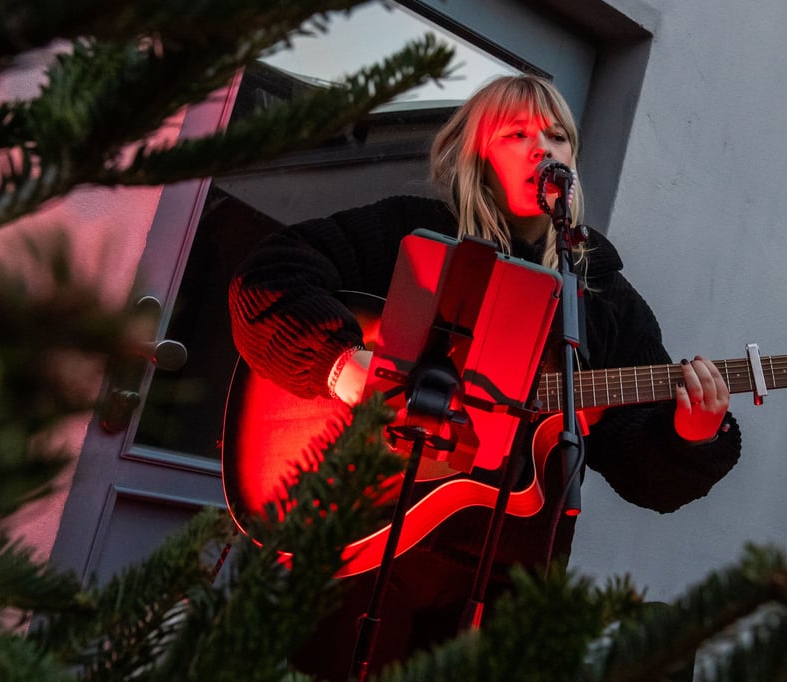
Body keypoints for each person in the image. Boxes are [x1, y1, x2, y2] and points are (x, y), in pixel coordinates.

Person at [228, 74, 742, 680]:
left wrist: (691, 435)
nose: (542, 148)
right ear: (477, 152)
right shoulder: (411, 230)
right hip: (375, 543)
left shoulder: (602, 298)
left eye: (557, 136)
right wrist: (348, 368)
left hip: (508, 582)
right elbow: (267, 280)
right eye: (517, 133)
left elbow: (636, 462)